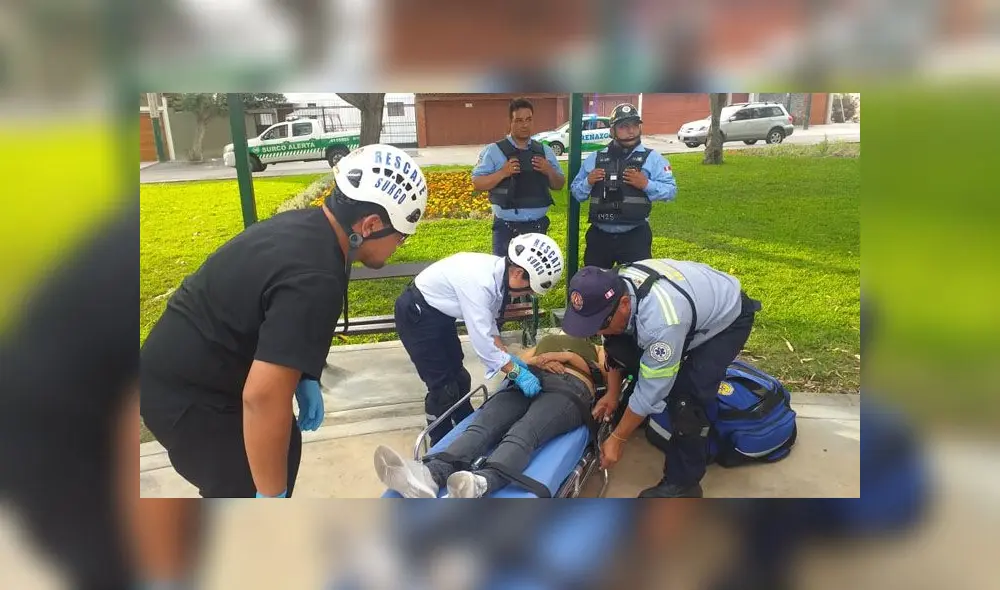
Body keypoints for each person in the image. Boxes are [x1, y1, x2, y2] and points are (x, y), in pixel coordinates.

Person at [139, 144, 428, 499]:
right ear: (370, 225)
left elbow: (276, 314)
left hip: (206, 368)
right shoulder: (317, 276)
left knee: (283, 449)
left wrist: (305, 377)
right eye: (401, 236)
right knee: (246, 488)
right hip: (187, 396)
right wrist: (271, 498)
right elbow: (262, 398)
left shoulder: (310, 229)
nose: (400, 245)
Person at [560, 260, 761, 498]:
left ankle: (683, 484)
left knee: (688, 396)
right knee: (622, 345)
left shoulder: (663, 324)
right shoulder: (611, 290)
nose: (598, 332)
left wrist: (618, 438)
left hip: (727, 318)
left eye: (600, 324)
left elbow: (652, 389)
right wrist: (613, 394)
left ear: (624, 304)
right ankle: (634, 415)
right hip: (692, 300)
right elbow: (610, 342)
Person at [374, 332, 619, 498]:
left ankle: (481, 483)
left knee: (525, 432)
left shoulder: (597, 348)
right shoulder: (548, 339)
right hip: (528, 378)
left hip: (570, 387)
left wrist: (567, 357)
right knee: (483, 425)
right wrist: (540, 360)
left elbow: (608, 380)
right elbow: (517, 360)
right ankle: (431, 474)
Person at [394, 233, 564, 445]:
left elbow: (490, 326)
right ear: (519, 272)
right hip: (417, 316)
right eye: (529, 288)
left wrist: (508, 357)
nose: (526, 294)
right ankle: (439, 442)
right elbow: (482, 342)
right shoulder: (478, 283)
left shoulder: (498, 278)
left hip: (438, 315)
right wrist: (515, 371)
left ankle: (467, 425)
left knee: (460, 377)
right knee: (443, 388)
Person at [569, 103, 677, 269]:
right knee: (595, 286)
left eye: (635, 125)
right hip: (600, 237)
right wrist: (588, 182)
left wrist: (646, 184)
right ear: (612, 131)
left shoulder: (652, 158)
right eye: (624, 126)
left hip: (635, 237)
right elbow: (576, 192)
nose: (631, 131)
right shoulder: (595, 158)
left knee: (636, 287)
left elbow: (671, 191)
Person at [472, 97, 565, 257]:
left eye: (528, 119)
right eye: (519, 120)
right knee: (504, 277)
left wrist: (549, 170)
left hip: (537, 229)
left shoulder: (544, 151)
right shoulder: (494, 151)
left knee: (536, 279)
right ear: (510, 122)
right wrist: (503, 172)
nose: (524, 125)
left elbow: (559, 184)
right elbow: (477, 183)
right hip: (507, 229)